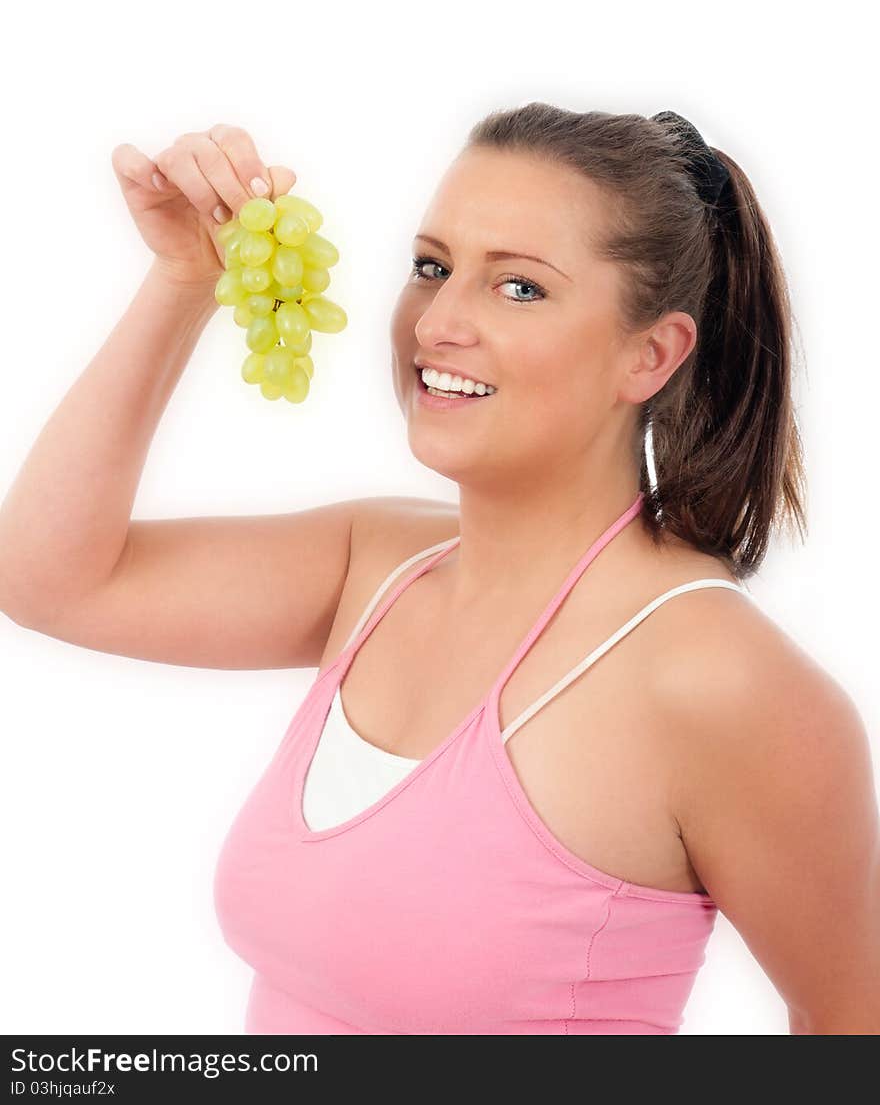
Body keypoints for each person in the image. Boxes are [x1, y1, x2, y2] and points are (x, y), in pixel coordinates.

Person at [1, 110, 877, 1035]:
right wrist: (183, 279)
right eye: (432, 266)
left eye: (520, 287)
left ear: (650, 355)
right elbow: (45, 577)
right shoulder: (373, 570)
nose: (440, 321)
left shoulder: (720, 682)